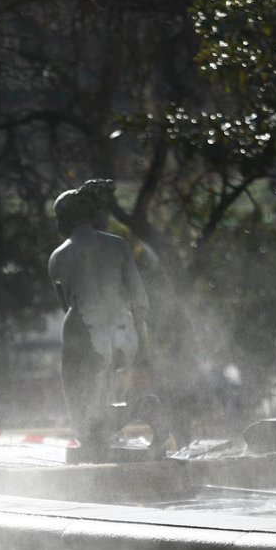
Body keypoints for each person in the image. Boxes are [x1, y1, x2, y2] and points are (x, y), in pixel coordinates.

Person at [48, 179, 158, 453]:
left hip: (84, 331)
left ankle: (122, 421)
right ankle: (139, 411)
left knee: (80, 401)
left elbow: (65, 304)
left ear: (65, 219)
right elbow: (140, 298)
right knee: (103, 394)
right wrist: (138, 335)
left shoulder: (58, 257)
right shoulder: (118, 245)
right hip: (123, 332)